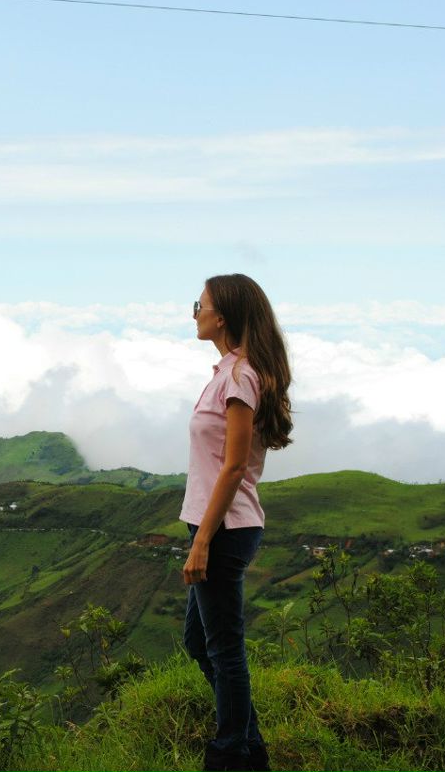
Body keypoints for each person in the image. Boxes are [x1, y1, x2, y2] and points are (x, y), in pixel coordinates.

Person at [182, 273, 293, 772]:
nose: (195, 312)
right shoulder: (228, 372)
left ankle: (231, 755)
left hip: (224, 529)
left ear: (221, 315)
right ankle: (250, 745)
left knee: (225, 649)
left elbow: (232, 465)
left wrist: (203, 540)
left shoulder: (239, 377)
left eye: (199, 304)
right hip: (214, 525)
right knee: (197, 641)